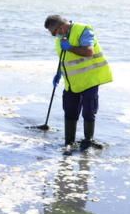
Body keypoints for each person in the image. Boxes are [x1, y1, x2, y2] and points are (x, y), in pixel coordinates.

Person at [43, 15, 113, 152]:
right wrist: (59, 73)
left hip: (90, 79)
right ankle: (69, 142)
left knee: (88, 111)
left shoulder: (83, 30)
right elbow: (64, 59)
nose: (54, 36)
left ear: (61, 27)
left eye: (54, 33)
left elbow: (89, 51)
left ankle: (88, 141)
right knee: (69, 111)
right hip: (71, 82)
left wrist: (70, 47)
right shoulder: (60, 39)